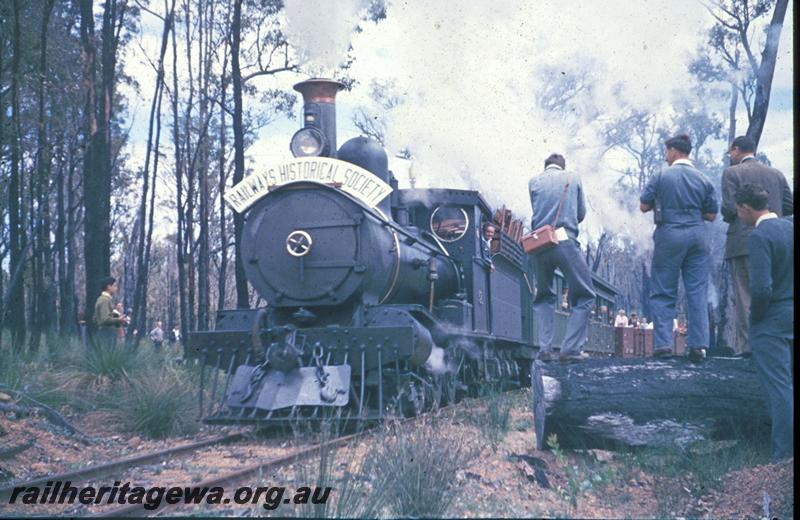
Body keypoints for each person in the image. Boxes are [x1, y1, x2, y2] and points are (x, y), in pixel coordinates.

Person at [640, 134, 718, 363]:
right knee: (696, 291)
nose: (665, 156)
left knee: (663, 289)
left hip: (669, 234)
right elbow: (712, 215)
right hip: (697, 236)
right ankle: (698, 345)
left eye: (666, 152)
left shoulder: (662, 175)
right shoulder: (703, 179)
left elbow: (643, 205)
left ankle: (663, 344)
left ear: (674, 151)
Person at [734, 183, 793, 461]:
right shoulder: (790, 228)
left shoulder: (759, 237)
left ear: (746, 208)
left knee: (780, 389)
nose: (739, 216)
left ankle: (783, 456)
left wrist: (756, 321)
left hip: (772, 322)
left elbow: (761, 289)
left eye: (738, 211)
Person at [721, 136, 793, 356]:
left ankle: (748, 346)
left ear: (736, 149)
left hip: (742, 242)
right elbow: (789, 206)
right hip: (780, 239)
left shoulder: (731, 173)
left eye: (730, 152)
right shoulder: (776, 174)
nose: (730, 156)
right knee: (777, 290)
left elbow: (730, 208)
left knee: (745, 295)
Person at [529, 153, 595, 362]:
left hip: (539, 242)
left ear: (546, 166)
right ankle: (571, 349)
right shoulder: (572, 177)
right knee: (585, 295)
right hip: (563, 238)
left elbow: (537, 210)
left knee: (544, 296)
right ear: (562, 166)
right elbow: (581, 213)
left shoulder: (533, 181)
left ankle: (544, 349)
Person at [92, 276, 129, 348]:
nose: (116, 288)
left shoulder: (106, 300)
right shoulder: (104, 300)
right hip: (106, 335)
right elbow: (104, 319)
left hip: (107, 334)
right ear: (109, 287)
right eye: (115, 286)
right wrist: (119, 319)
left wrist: (116, 313)